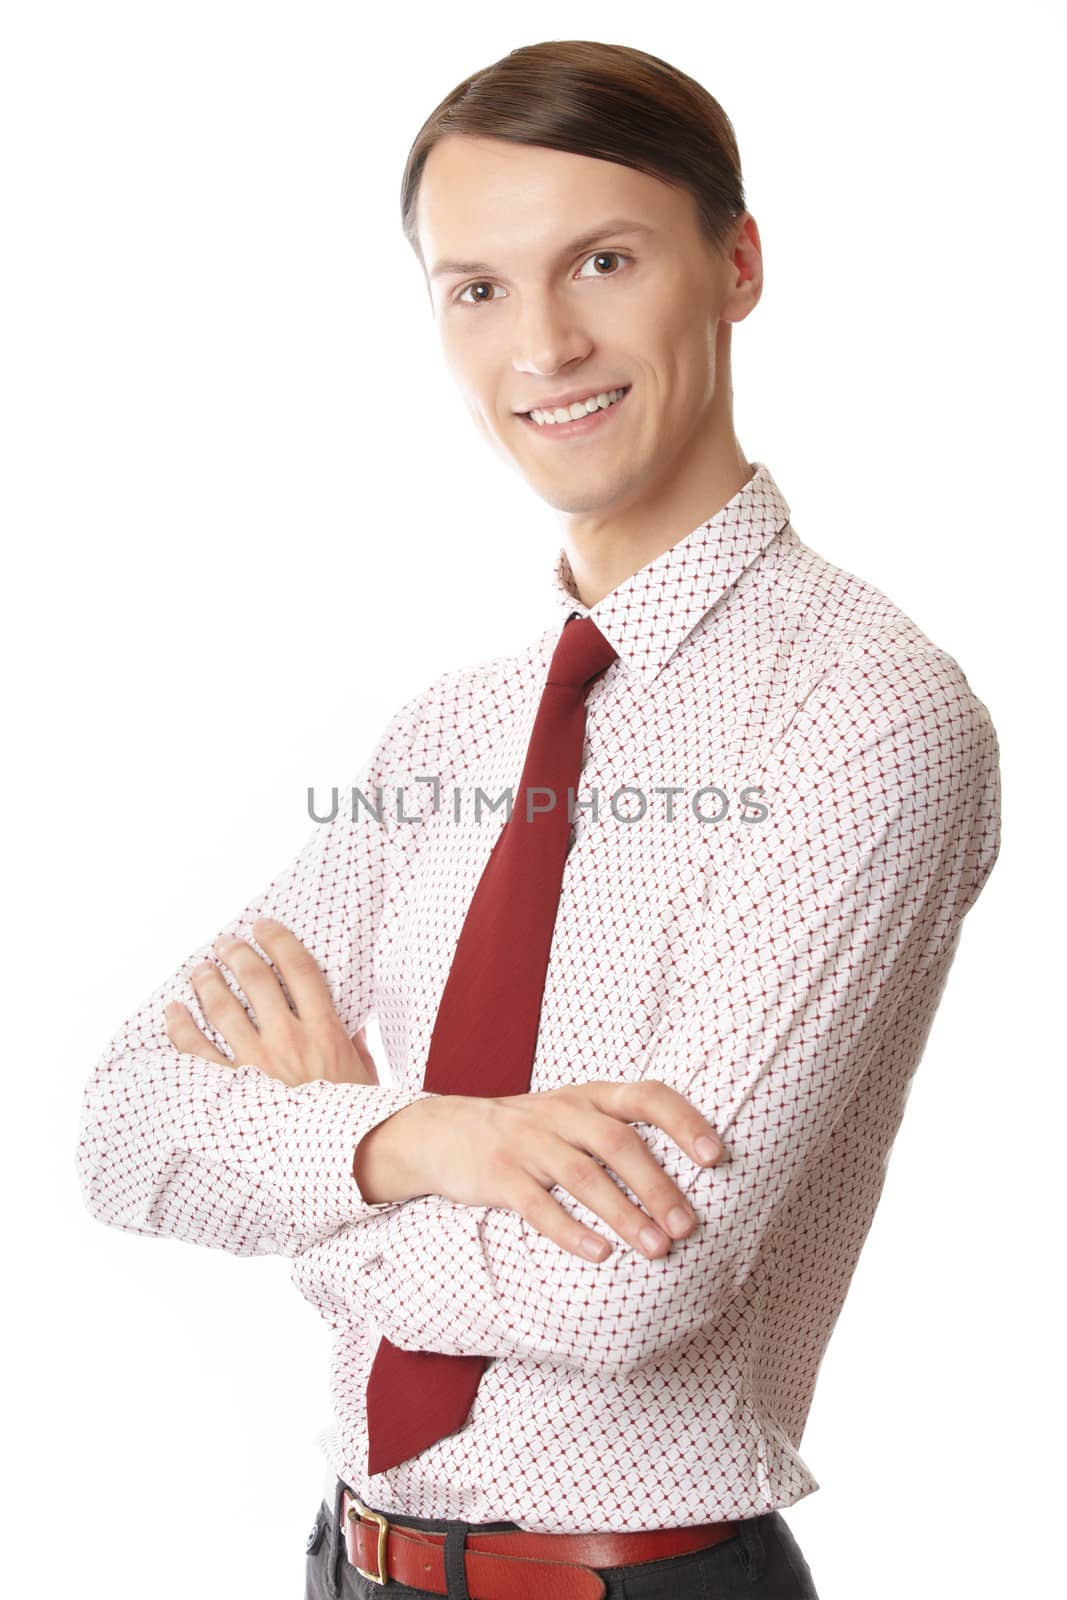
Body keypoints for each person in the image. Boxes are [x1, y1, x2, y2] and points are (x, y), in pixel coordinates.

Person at [75, 37, 1002, 1600]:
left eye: (605, 260)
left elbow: (632, 1291)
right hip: (343, 1569)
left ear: (737, 264)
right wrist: (422, 1138)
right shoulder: (450, 730)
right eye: (478, 289)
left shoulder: (869, 715)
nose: (547, 345)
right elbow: (123, 1133)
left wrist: (311, 1188)